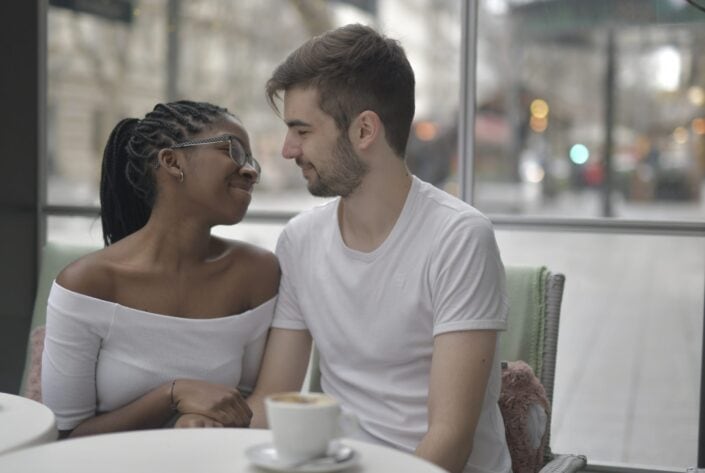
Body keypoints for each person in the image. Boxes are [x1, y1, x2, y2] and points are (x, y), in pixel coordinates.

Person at [246, 24, 511, 473]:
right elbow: (271, 406)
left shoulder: (459, 238)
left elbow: (449, 442)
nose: (289, 149)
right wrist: (185, 420)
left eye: (302, 130)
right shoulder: (299, 241)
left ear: (365, 129)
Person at [41, 100, 279, 438]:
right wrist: (171, 396)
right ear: (172, 161)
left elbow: (250, 403)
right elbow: (65, 436)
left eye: (252, 160)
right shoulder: (87, 283)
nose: (251, 170)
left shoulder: (257, 274)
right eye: (234, 150)